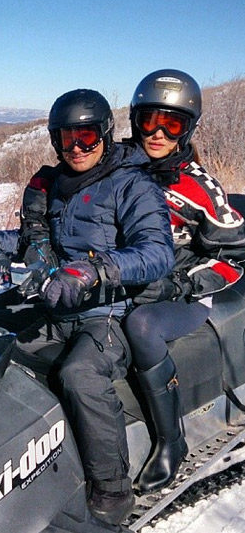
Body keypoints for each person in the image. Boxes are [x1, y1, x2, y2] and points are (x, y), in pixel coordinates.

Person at [15, 89, 175, 525]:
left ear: (105, 134)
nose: (78, 147)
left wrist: (94, 271)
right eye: (67, 138)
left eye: (87, 136)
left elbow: (159, 252)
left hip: (110, 310)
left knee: (79, 374)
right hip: (57, 304)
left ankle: (112, 489)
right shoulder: (57, 185)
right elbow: (37, 240)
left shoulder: (131, 182)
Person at [123, 69, 245, 493]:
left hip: (181, 294)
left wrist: (182, 284)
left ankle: (170, 440)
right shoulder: (119, 167)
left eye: (171, 124)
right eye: (148, 121)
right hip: (126, 277)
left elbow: (233, 255)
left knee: (142, 326)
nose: (157, 133)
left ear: (187, 128)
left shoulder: (197, 188)